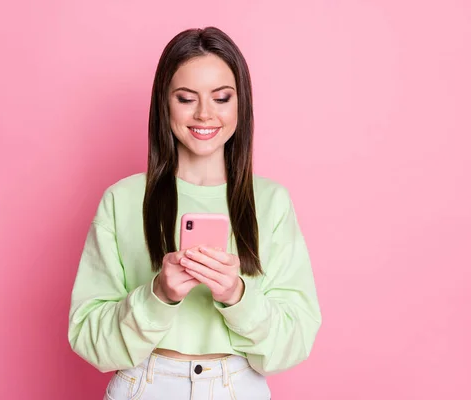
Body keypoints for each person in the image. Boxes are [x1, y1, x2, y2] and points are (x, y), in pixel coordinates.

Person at [68, 26, 322, 400]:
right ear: (164, 104)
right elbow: (88, 338)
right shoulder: (122, 199)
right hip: (145, 385)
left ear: (241, 104)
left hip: (236, 387)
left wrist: (237, 295)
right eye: (186, 98)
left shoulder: (271, 202)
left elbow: (294, 342)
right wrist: (158, 294)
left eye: (221, 97)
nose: (205, 114)